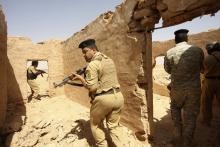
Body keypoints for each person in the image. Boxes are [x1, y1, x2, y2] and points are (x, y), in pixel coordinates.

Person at [72, 39, 124, 147]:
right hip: (118, 97)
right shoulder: (109, 60)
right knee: (114, 127)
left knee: (96, 125)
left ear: (94, 50)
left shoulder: (92, 64)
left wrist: (81, 79)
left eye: (85, 51)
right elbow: (104, 77)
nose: (84, 55)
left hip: (104, 100)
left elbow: (92, 88)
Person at [164, 29, 204, 147]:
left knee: (175, 110)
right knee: (190, 117)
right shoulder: (198, 51)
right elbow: (202, 68)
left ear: (175, 40)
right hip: (193, 90)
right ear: (187, 39)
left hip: (176, 89)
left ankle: (177, 135)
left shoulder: (169, 52)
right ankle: (187, 142)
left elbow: (167, 69)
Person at [201, 42, 220, 126]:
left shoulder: (207, 59)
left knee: (206, 102)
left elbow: (202, 70)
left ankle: (207, 121)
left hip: (209, 82)